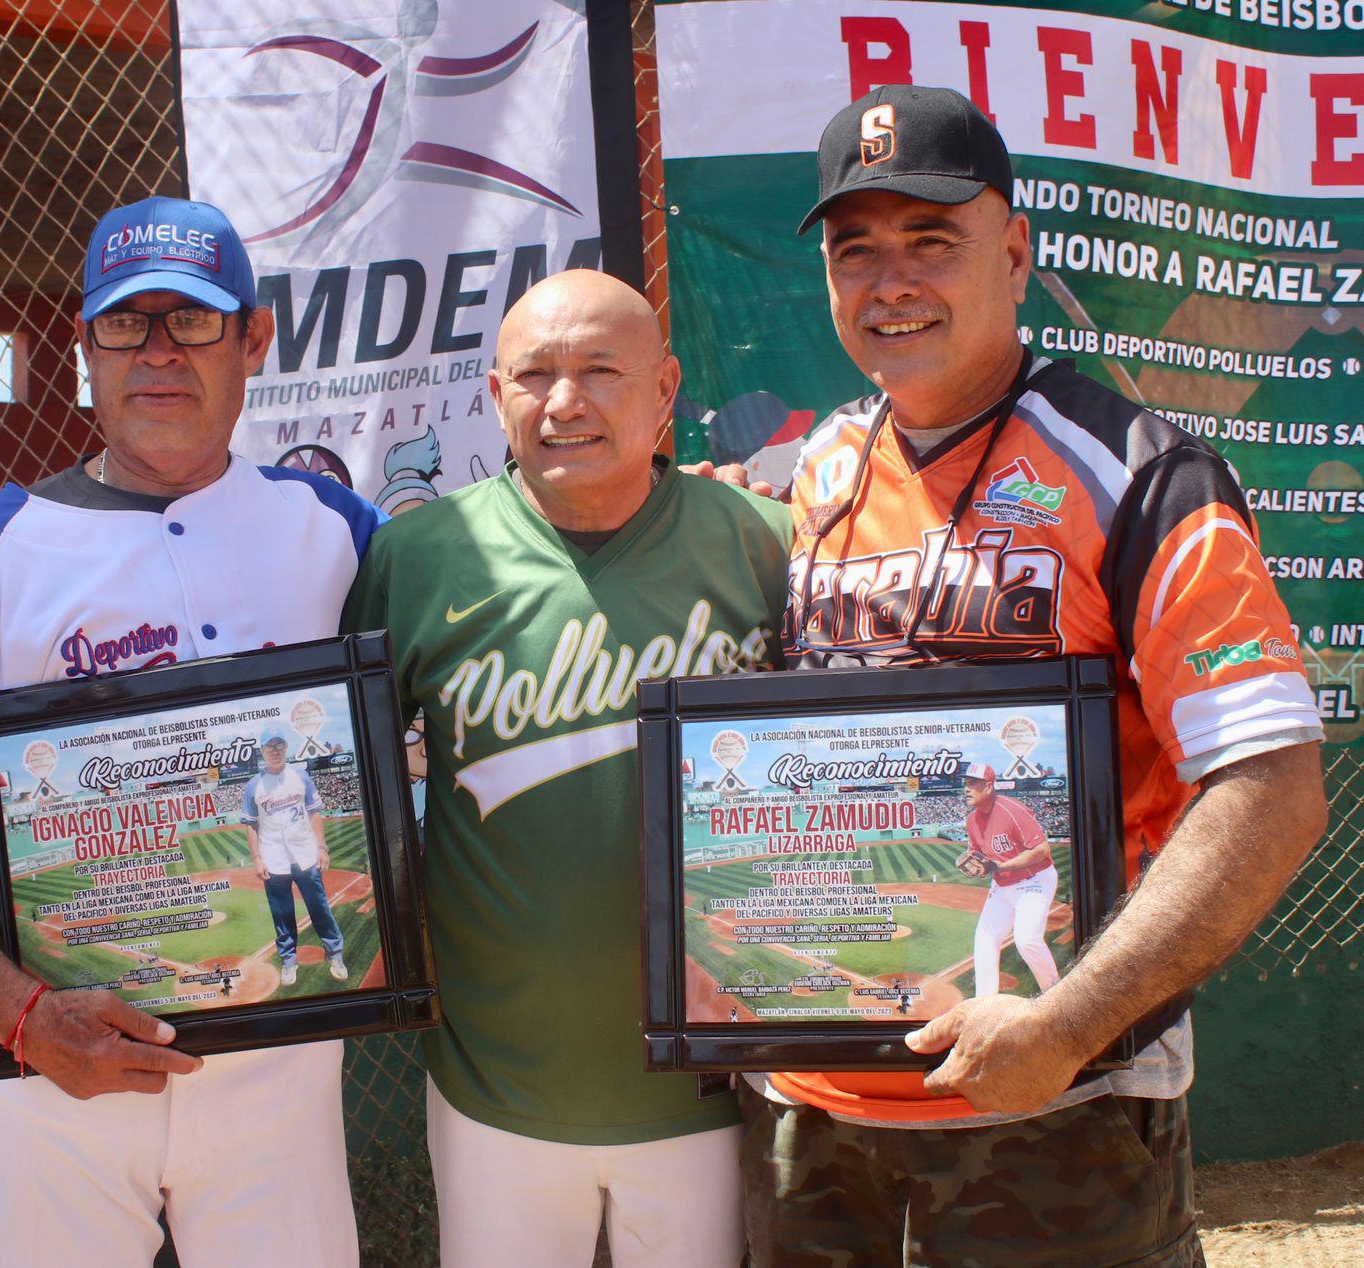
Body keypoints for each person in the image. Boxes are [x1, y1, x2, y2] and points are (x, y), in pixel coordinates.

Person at [736, 86, 1327, 1265]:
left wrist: (1065, 1024)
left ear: (1013, 254)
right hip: (815, 1117)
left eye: (931, 241)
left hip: (1056, 1112)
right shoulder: (812, 474)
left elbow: (1273, 789)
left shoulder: (1139, 472)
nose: (891, 283)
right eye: (856, 252)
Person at [0, 196, 385, 1266]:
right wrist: (20, 1012)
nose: (158, 351)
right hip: (54, 1075)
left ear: (254, 338)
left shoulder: (342, 532)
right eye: (126, 323)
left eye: (193, 319)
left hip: (280, 1070)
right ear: (85, 347)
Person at [344, 269, 794, 1267]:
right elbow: (349, 790)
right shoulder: (418, 557)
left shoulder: (765, 540)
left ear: (665, 388)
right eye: (534, 374)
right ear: (493, 394)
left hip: (711, 1081)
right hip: (493, 1082)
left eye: (600, 370)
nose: (564, 402)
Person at [243, 724, 347, 984]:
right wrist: (257, 858)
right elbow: (251, 825)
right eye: (269, 746)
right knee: (282, 913)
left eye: (279, 745)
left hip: (304, 854)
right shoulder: (254, 785)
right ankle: (289, 960)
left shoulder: (301, 776)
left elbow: (314, 813)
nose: (275, 750)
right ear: (262, 751)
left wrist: (321, 847)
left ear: (286, 747)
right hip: (273, 858)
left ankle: (334, 953)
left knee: (319, 906)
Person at [957, 763, 1059, 998]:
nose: (966, 788)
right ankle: (985, 1004)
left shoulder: (1012, 810)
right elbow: (979, 854)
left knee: (1027, 940)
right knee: (984, 940)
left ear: (989, 787)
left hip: (1034, 882)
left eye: (972, 783)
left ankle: (1056, 996)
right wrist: (980, 866)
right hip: (1002, 886)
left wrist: (1001, 866)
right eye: (966, 783)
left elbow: (1042, 850)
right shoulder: (972, 820)